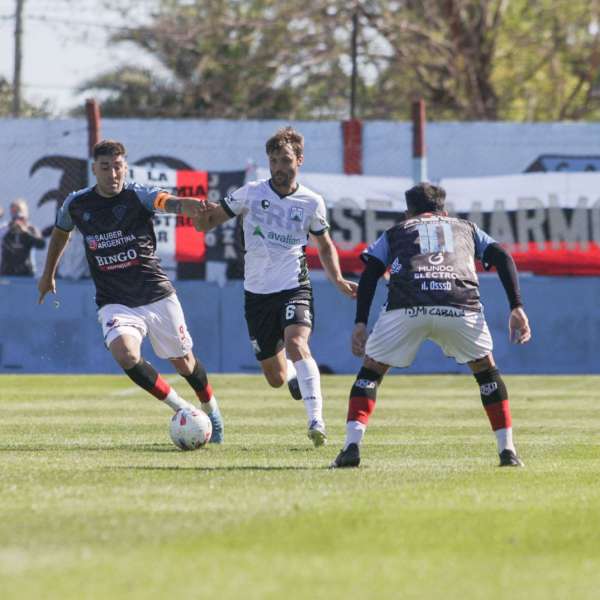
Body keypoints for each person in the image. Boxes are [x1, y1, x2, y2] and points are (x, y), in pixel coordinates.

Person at [330, 182, 532, 469]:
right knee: (486, 371)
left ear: (408, 212)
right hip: (460, 305)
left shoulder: (397, 230)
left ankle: (351, 446)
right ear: (444, 209)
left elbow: (371, 272)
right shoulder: (467, 228)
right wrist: (517, 306)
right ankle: (508, 451)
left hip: (406, 307)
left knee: (371, 371)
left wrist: (360, 322)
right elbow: (502, 256)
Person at [37, 139, 224, 442]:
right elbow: (61, 232)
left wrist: (195, 207)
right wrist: (48, 274)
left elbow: (172, 203)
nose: (113, 173)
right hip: (115, 302)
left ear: (126, 166)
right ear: (94, 169)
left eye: (118, 166)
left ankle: (210, 407)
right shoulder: (77, 203)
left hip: (156, 294)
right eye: (106, 167)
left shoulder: (139, 196)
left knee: (184, 363)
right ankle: (182, 408)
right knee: (125, 354)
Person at [193, 126, 357, 447]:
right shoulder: (251, 193)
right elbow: (210, 221)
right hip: (256, 295)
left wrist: (336, 279)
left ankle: (316, 420)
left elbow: (324, 245)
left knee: (297, 343)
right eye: (274, 162)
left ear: (299, 160)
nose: (280, 168)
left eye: (285, 160)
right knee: (276, 378)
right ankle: (295, 377)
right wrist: (200, 217)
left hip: (294, 287)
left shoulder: (312, 202)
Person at [0, 199, 46, 276]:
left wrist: (25, 232)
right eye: (14, 214)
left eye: (21, 216)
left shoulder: (31, 229)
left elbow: (41, 245)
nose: (18, 218)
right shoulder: (5, 228)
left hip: (26, 272)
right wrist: (9, 229)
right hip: (7, 271)